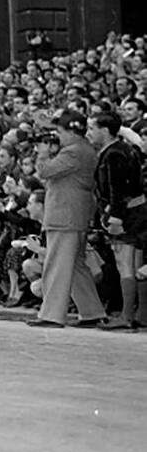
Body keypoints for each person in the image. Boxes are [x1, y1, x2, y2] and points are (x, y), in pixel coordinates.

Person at [28, 110, 106, 328]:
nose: (57, 136)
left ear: (71, 132)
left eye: (60, 132)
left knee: (58, 265)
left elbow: (44, 171)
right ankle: (92, 312)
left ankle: (52, 315)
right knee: (76, 267)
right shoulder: (83, 149)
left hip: (65, 216)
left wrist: (43, 153)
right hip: (74, 215)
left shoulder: (72, 152)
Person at [87, 110, 147, 330]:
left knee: (126, 265)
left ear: (104, 130)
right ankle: (137, 314)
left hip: (126, 216)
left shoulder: (114, 154)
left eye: (92, 128)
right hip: (134, 213)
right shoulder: (120, 150)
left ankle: (126, 316)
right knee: (133, 265)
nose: (89, 133)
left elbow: (117, 189)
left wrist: (115, 217)